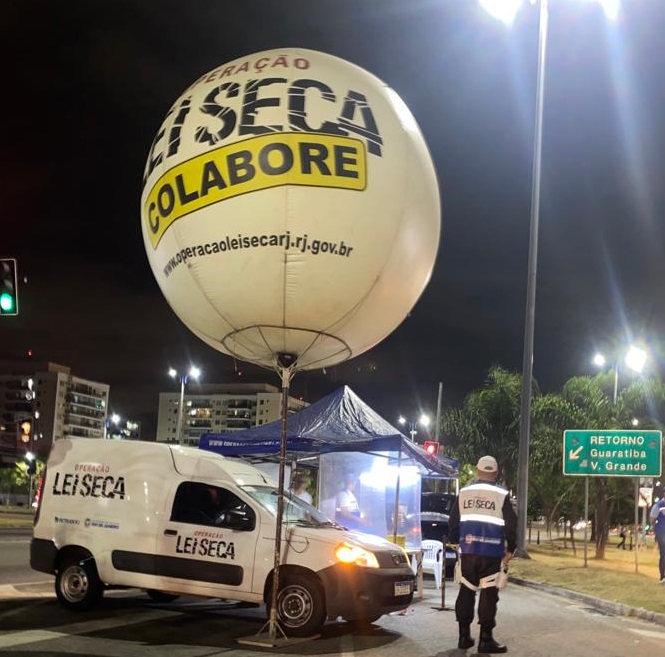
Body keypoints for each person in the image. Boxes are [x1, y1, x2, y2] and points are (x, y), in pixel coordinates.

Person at [448, 455, 517, 653]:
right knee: (488, 593)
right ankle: (485, 639)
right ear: (495, 474)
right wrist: (511, 548)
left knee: (466, 590)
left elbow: (453, 521)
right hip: (491, 551)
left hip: (468, 551)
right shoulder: (501, 494)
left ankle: (463, 637)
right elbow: (511, 525)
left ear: (478, 471)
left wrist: (456, 541)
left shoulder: (464, 492)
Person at [649, 496, 665, 584]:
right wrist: (655, 527)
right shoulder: (659, 505)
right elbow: (652, 518)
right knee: (664, 554)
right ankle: (662, 577)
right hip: (662, 532)